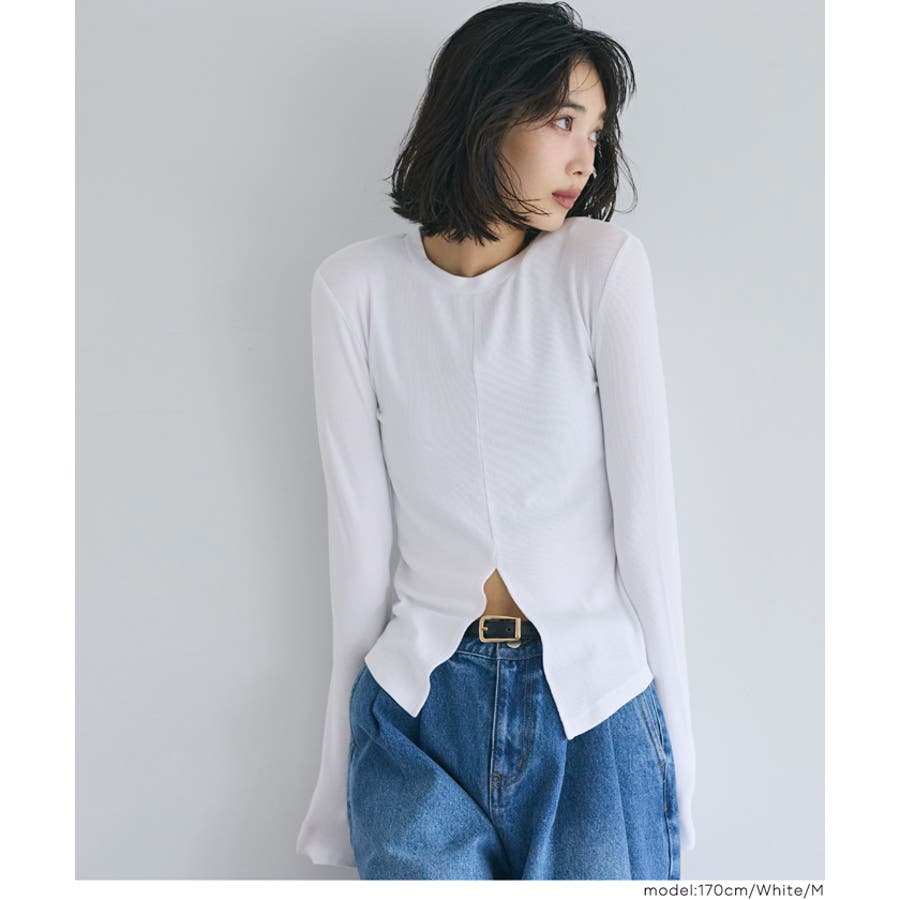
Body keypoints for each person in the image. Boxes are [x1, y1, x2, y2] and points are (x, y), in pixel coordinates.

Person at [295, 0, 697, 879]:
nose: (585, 158)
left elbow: (648, 535)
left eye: (596, 131)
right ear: (483, 112)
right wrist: (335, 778)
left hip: (592, 708)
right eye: (563, 120)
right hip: (416, 707)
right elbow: (357, 550)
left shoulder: (601, 268)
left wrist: (675, 765)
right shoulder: (354, 289)